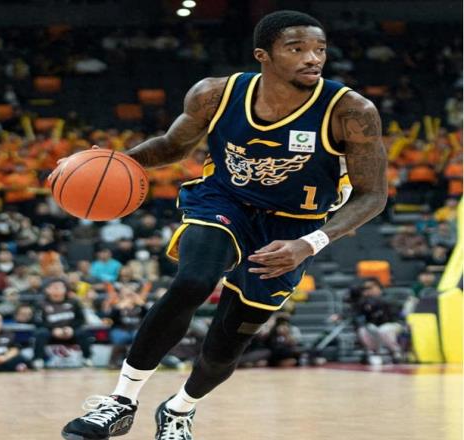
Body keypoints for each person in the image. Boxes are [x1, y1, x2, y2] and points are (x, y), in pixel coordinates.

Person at [61, 10, 387, 440]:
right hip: (224, 201)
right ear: (263, 55)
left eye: (319, 49)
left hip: (294, 227)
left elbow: (373, 195)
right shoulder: (216, 94)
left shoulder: (351, 111)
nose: (313, 58)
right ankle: (121, 401)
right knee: (192, 281)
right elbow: (173, 145)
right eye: (297, 49)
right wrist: (109, 163)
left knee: (224, 346)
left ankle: (179, 409)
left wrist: (309, 244)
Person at [32, 278, 92, 369]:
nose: (58, 289)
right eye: (55, 287)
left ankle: (87, 358)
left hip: (70, 331)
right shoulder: (41, 304)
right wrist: (53, 330)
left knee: (82, 332)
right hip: (51, 333)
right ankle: (38, 360)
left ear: (65, 289)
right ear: (48, 290)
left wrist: (71, 328)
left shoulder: (73, 302)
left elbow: (80, 319)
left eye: (60, 287)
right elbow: (38, 322)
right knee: (40, 333)